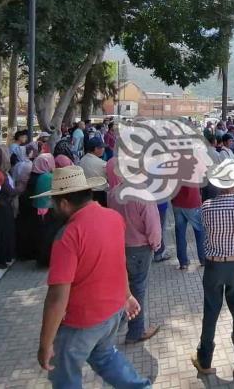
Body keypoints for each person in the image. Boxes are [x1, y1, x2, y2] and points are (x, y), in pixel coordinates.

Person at [34, 166, 150, 388]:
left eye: (54, 202)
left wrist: (45, 343)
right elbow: (119, 262)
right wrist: (127, 295)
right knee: (105, 357)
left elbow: (58, 296)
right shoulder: (113, 218)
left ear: (64, 203)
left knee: (65, 378)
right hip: (113, 312)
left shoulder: (67, 235)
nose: (53, 208)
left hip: (82, 322)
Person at [192, 160, 234, 375]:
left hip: (213, 266)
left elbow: (206, 231)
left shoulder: (206, 207)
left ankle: (205, 359)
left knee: (210, 312)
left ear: (217, 184)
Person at [107, 172, 162, 344]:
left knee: (123, 288)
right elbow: (153, 225)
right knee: (138, 288)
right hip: (140, 249)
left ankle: (115, 327)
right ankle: (136, 331)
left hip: (119, 247)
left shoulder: (114, 193)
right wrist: (156, 244)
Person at [31, 154, 59, 268]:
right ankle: (49, 260)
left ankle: (42, 259)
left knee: (43, 235)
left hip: (39, 209)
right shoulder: (49, 177)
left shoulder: (38, 176)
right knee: (50, 235)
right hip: (50, 210)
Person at [171, 185, 207, 270]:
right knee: (199, 231)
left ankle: (183, 262)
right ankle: (203, 259)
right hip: (193, 201)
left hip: (177, 202)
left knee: (180, 233)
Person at [78, 137, 108, 206]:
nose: (103, 149)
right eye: (101, 147)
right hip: (99, 194)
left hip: (85, 194)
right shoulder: (102, 163)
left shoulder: (82, 160)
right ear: (95, 149)